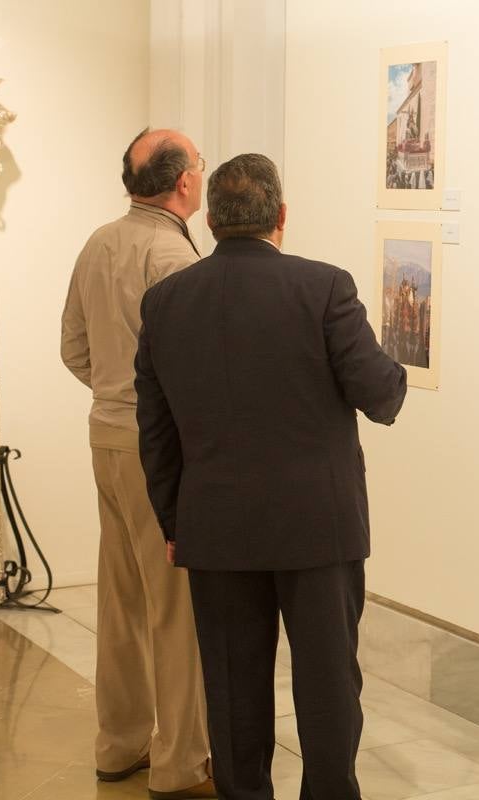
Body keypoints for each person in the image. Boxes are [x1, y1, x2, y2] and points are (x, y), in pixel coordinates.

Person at [134, 153, 407, 800]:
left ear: (209, 218)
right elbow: (382, 397)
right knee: (327, 687)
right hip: (318, 529)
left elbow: (157, 433)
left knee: (231, 692)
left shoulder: (166, 303)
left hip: (217, 531)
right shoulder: (325, 288)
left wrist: (176, 523)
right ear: (280, 216)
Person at [61, 127, 215, 800]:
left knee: (121, 598)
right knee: (176, 610)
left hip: (105, 436)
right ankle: (181, 762)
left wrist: (112, 395)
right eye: (200, 167)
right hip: (159, 451)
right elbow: (194, 375)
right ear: (184, 183)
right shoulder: (173, 258)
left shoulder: (100, 241)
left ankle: (119, 744)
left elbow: (73, 346)